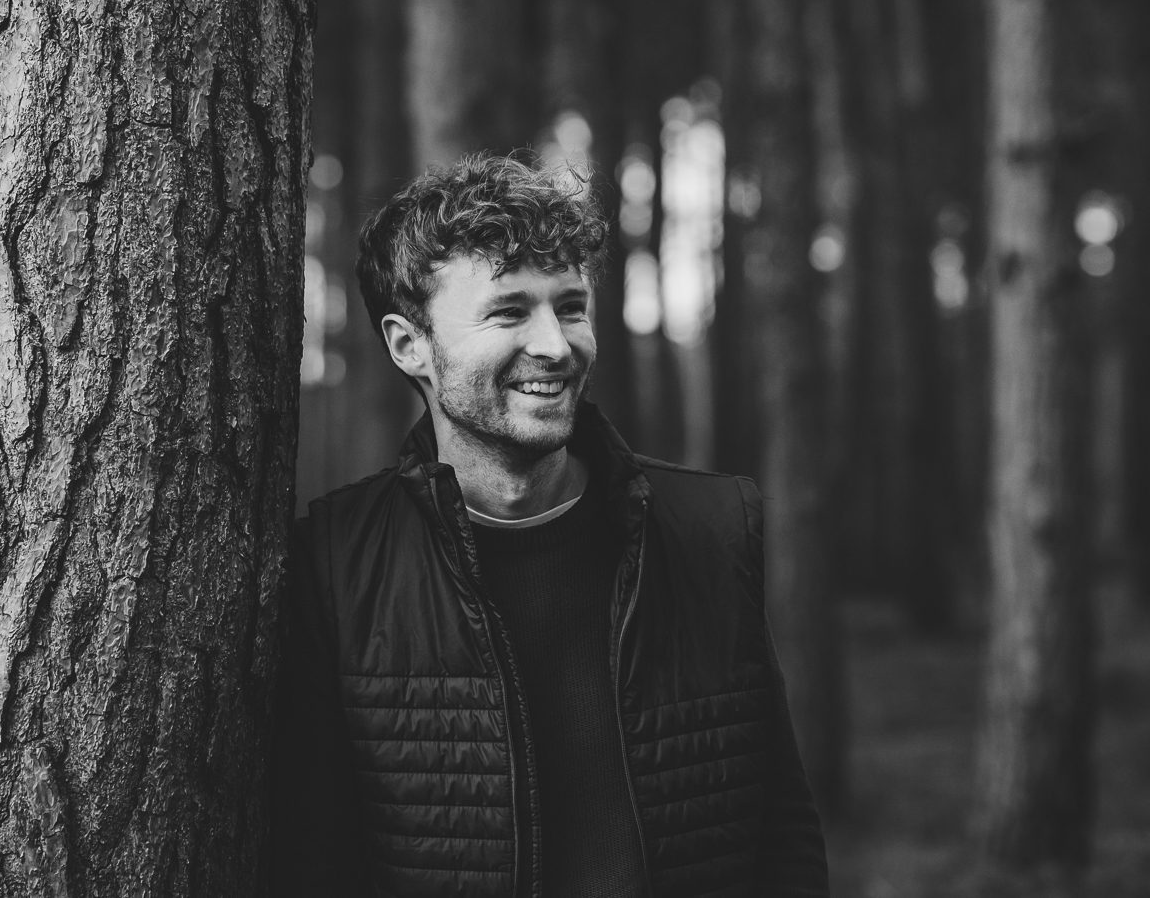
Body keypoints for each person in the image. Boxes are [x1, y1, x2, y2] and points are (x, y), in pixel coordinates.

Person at [272, 153, 828, 897]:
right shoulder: (336, 564)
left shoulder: (710, 529)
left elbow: (780, 833)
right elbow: (312, 859)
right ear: (411, 346)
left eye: (569, 306)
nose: (556, 345)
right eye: (509, 311)